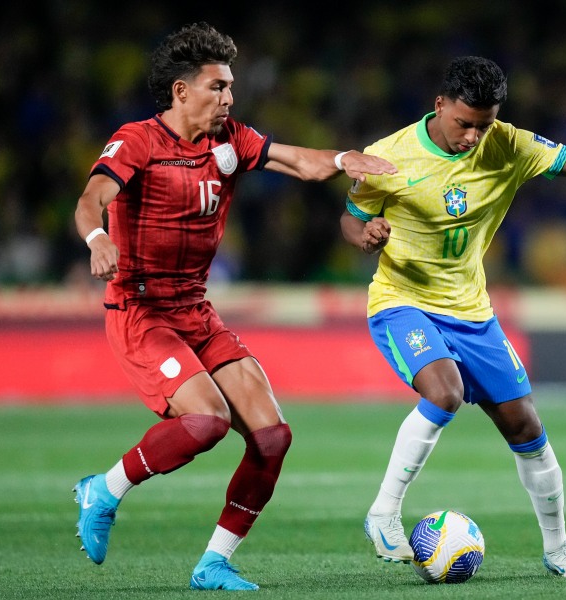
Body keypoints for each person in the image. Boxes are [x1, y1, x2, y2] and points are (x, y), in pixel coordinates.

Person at [72, 21, 396, 591]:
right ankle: (104, 490)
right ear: (181, 91)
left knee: (272, 437)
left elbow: (298, 161)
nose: (228, 97)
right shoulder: (137, 141)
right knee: (206, 421)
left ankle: (213, 563)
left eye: (229, 87)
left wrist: (346, 159)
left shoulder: (232, 141)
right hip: (142, 311)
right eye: (217, 87)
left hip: (196, 309)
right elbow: (91, 198)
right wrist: (98, 239)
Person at [340, 55, 566, 578]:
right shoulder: (389, 156)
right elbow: (352, 215)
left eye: (484, 124)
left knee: (526, 426)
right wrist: (366, 236)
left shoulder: (511, 144)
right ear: (439, 105)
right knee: (444, 392)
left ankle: (558, 549)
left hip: (472, 311)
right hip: (402, 299)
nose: (473, 136)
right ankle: (383, 512)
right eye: (463, 123)